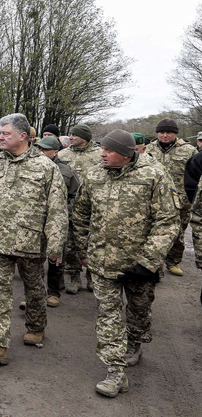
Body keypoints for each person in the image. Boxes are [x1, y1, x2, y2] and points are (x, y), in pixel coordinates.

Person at [71, 129, 179, 398]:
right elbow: (81, 214)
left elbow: (168, 221)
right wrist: (84, 248)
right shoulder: (95, 175)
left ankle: (135, 341)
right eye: (102, 149)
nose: (102, 154)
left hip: (139, 265)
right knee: (108, 317)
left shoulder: (153, 175)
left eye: (108, 150)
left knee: (139, 311)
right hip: (102, 262)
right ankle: (115, 373)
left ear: (126, 154)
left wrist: (149, 262)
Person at [0, 113, 68, 365]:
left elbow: (57, 209)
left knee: (34, 289)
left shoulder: (46, 167)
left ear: (23, 136)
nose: (0, 137)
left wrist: (56, 244)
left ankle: (36, 327)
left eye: (6, 134)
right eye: (0, 133)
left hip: (30, 243)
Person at [35, 136, 81, 307]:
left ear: (55, 152)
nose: (41, 152)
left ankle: (54, 292)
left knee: (56, 257)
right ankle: (35, 293)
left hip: (57, 220)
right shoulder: (32, 168)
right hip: (36, 220)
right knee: (34, 259)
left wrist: (67, 214)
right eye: (39, 149)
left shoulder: (65, 171)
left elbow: (76, 194)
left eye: (45, 149)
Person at [147, 118, 196, 276]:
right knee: (152, 231)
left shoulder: (189, 151)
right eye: (161, 132)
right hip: (154, 199)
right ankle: (154, 264)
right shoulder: (149, 149)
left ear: (175, 134)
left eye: (169, 132)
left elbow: (196, 175)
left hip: (180, 200)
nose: (165, 135)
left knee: (178, 233)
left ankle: (173, 262)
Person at [57, 123, 102, 293]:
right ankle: (73, 276)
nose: (71, 137)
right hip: (69, 205)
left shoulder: (99, 155)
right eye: (70, 134)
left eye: (74, 135)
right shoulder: (63, 154)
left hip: (93, 206)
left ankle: (92, 275)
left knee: (93, 240)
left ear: (85, 138)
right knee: (70, 242)